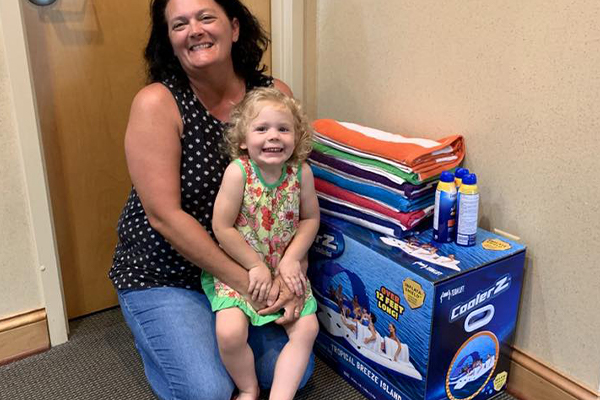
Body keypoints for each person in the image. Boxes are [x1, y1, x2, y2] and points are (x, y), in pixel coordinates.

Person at [108, 1, 314, 399]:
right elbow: (165, 217)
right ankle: (157, 334)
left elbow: (294, 202)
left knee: (291, 373)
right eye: (179, 24)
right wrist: (255, 285)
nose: (194, 30)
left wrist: (293, 271)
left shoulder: (274, 97)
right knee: (209, 391)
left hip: (258, 267)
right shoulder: (157, 103)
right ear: (170, 41)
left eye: (206, 17)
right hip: (169, 273)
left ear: (234, 28)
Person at [202, 87, 320, 400]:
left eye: (284, 129)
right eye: (261, 129)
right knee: (229, 332)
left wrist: (292, 259)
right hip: (243, 270)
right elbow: (221, 226)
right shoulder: (238, 172)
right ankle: (248, 387)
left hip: (285, 267)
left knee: (307, 329)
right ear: (243, 140)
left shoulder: (300, 173)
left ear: (296, 137)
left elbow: (310, 220)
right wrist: (254, 265)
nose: (273, 137)